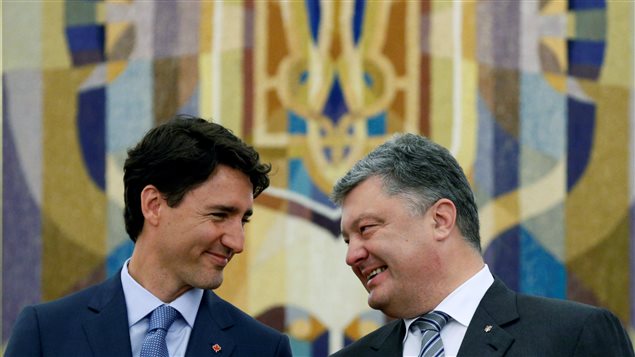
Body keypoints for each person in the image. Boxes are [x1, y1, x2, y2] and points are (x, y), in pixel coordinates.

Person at [6, 115, 292, 357]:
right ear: (154, 205)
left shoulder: (264, 349)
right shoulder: (46, 333)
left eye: (243, 220)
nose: (237, 242)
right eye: (219, 215)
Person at [329, 133, 634, 357]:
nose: (351, 255)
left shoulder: (572, 337)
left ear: (440, 220)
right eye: (347, 240)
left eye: (366, 229)